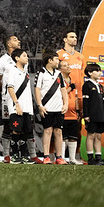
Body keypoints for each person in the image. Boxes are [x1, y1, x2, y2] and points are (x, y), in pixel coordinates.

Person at [34, 51, 68, 164]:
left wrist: (66, 103)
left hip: (59, 108)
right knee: (47, 131)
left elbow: (63, 89)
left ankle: (59, 157)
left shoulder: (59, 74)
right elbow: (37, 89)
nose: (58, 61)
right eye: (56, 59)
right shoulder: (41, 73)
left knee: (59, 132)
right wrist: (40, 105)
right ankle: (46, 156)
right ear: (50, 60)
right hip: (47, 108)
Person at [57, 30, 84, 163]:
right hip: (63, 94)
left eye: (76, 37)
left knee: (76, 128)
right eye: (71, 37)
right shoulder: (59, 55)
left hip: (77, 96)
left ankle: (74, 157)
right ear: (65, 39)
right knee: (60, 128)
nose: (74, 39)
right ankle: (57, 156)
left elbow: (82, 77)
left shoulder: (80, 57)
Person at [6, 48, 35, 164]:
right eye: (24, 55)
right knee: (16, 131)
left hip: (27, 106)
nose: (27, 57)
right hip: (17, 106)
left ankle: (24, 155)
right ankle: (14, 155)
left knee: (24, 131)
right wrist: (16, 104)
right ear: (17, 58)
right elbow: (10, 87)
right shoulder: (12, 71)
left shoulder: (25, 72)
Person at [0, 34, 19, 163]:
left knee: (22, 125)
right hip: (7, 99)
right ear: (9, 44)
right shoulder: (2, 61)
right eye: (15, 40)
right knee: (8, 125)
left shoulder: (22, 59)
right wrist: (5, 92)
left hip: (21, 99)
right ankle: (6, 155)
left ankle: (20, 154)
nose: (18, 41)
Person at [59, 59, 82, 164]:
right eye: (65, 65)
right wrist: (70, 88)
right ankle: (62, 158)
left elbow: (75, 96)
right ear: (60, 69)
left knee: (73, 137)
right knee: (63, 137)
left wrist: (78, 110)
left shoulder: (71, 81)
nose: (68, 67)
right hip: (63, 112)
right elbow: (59, 95)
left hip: (73, 113)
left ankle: (72, 159)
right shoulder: (58, 80)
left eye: (68, 65)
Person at [82, 64, 104, 165]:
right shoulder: (87, 85)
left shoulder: (100, 86)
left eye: (100, 71)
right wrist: (86, 115)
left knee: (98, 136)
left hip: (100, 115)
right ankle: (90, 157)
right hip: (91, 115)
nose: (100, 73)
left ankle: (98, 157)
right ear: (90, 73)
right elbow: (85, 101)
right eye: (97, 71)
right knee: (91, 135)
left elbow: (102, 102)